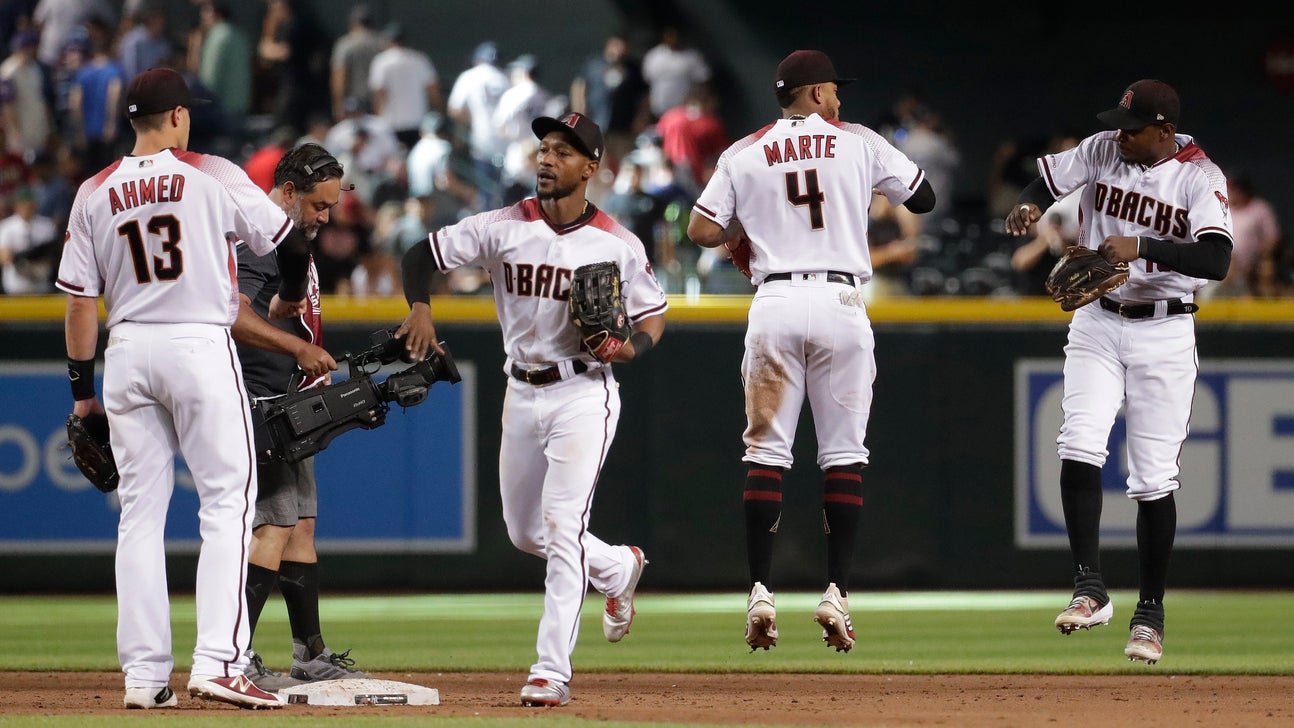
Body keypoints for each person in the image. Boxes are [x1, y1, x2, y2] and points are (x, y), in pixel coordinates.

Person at [57, 67, 317, 710]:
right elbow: (285, 239)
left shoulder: (93, 191)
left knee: (139, 519)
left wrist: (81, 394)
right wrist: (288, 295)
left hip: (126, 351)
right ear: (175, 117)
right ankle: (219, 661)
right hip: (198, 342)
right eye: (187, 112)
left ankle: (144, 678)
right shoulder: (212, 171)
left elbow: (80, 305)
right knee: (227, 503)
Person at [397, 112, 666, 707]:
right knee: (526, 532)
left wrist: (631, 348)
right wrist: (420, 306)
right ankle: (618, 568)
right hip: (520, 391)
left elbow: (653, 317)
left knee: (562, 525)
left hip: (583, 391)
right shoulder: (502, 225)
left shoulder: (617, 242)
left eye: (564, 151)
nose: (547, 159)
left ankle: (551, 671)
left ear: (590, 168)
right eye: (543, 148)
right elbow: (421, 254)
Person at [686, 50, 936, 653]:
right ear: (817, 93)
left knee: (765, 455)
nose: (840, 100)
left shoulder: (744, 151)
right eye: (834, 91)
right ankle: (836, 593)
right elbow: (922, 199)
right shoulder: (857, 141)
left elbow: (700, 230)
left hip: (773, 302)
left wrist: (746, 228)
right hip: (841, 303)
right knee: (843, 455)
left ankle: (760, 592)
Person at [1005, 79, 1233, 664]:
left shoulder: (1200, 178)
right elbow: (1049, 178)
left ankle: (1150, 615)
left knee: (1153, 478)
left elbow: (1217, 258)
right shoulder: (1105, 146)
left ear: (1163, 130)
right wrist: (1032, 202)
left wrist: (1146, 247)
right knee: (1078, 443)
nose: (1120, 136)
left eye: (1132, 128)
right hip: (1098, 320)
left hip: (1165, 329)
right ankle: (1089, 588)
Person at [230, 142, 373, 687]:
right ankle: (233, 654)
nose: (325, 216)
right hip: (256, 401)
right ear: (287, 191)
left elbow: (273, 314)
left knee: (302, 526)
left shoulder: (291, 240)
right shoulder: (257, 238)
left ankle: (309, 653)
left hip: (287, 400)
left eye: (331, 206)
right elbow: (232, 315)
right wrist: (298, 352)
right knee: (272, 525)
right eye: (317, 204)